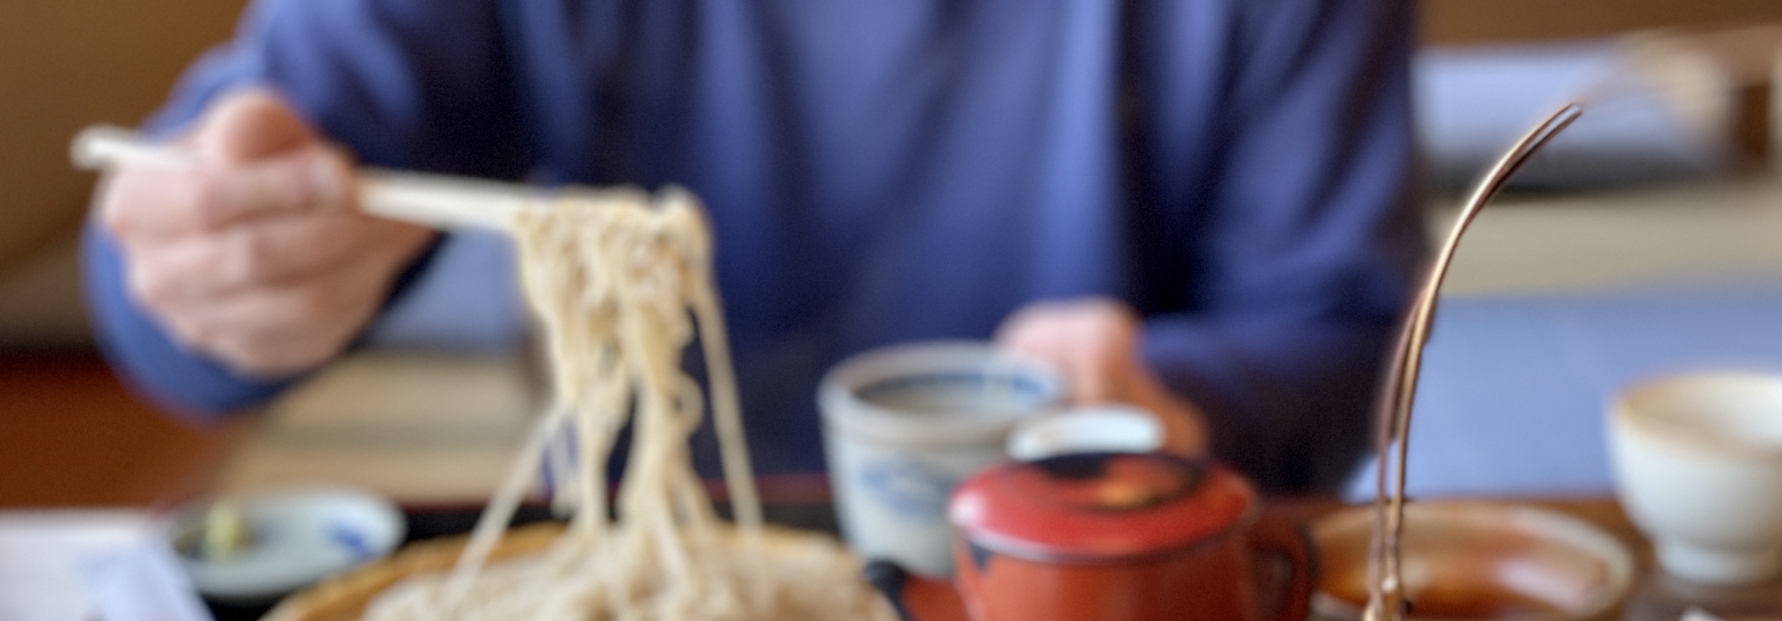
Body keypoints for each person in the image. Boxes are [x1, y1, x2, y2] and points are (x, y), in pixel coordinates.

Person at [85, 0, 1424, 490]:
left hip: (1099, 589)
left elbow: (1341, 339)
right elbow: (211, 218)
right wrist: (214, 265)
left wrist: (1168, 397)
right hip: (651, 583)